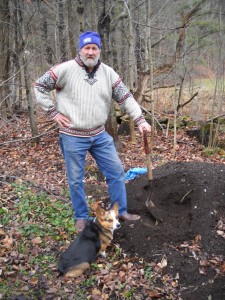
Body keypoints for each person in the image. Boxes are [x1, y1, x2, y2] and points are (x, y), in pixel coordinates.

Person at [34, 31, 151, 232]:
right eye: (86, 48)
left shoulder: (108, 73)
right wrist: (53, 113)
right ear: (80, 50)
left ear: (99, 50)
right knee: (76, 179)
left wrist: (140, 119)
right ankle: (81, 216)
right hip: (72, 136)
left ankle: (120, 212)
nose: (90, 52)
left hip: (99, 135)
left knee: (116, 172)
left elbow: (125, 97)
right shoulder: (64, 70)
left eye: (94, 48)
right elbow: (39, 86)